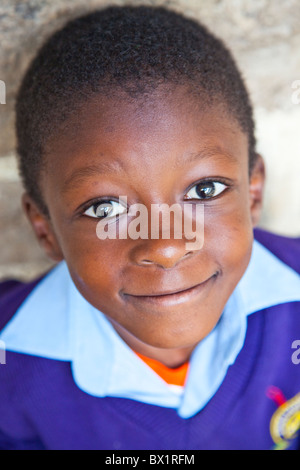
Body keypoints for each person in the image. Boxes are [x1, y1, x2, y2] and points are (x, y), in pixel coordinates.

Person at [0, 5, 299, 451]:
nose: (166, 246)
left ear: (252, 194)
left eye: (204, 190)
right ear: (45, 230)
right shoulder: (13, 365)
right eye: (104, 208)